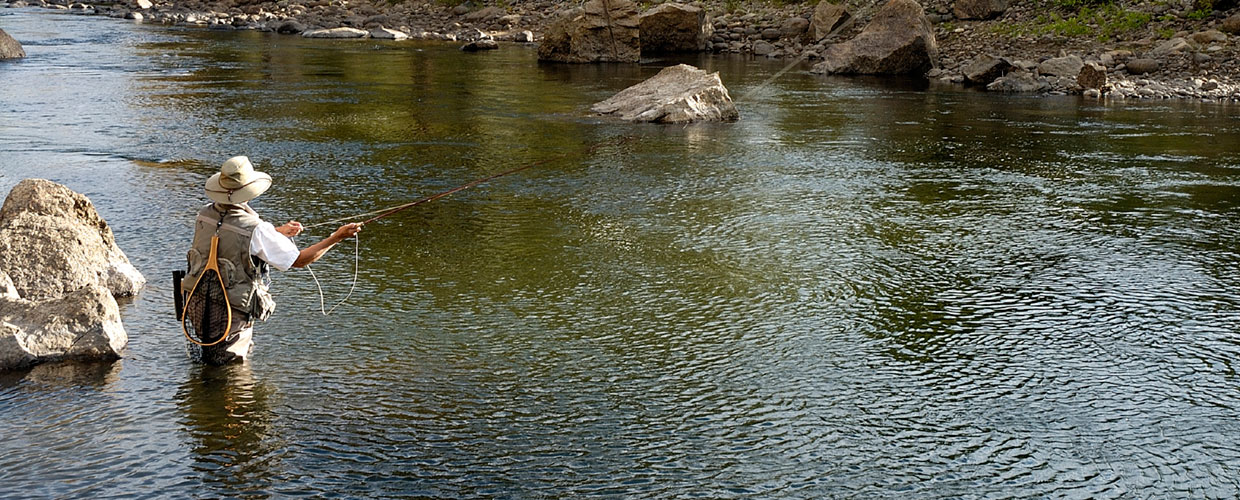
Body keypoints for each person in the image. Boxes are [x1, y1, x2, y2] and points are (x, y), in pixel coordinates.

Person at [183, 156, 360, 365]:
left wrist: (276, 233)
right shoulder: (257, 229)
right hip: (230, 311)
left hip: (195, 301)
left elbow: (227, 237)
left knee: (208, 362)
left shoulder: (204, 214)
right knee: (232, 375)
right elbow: (299, 260)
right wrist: (336, 237)